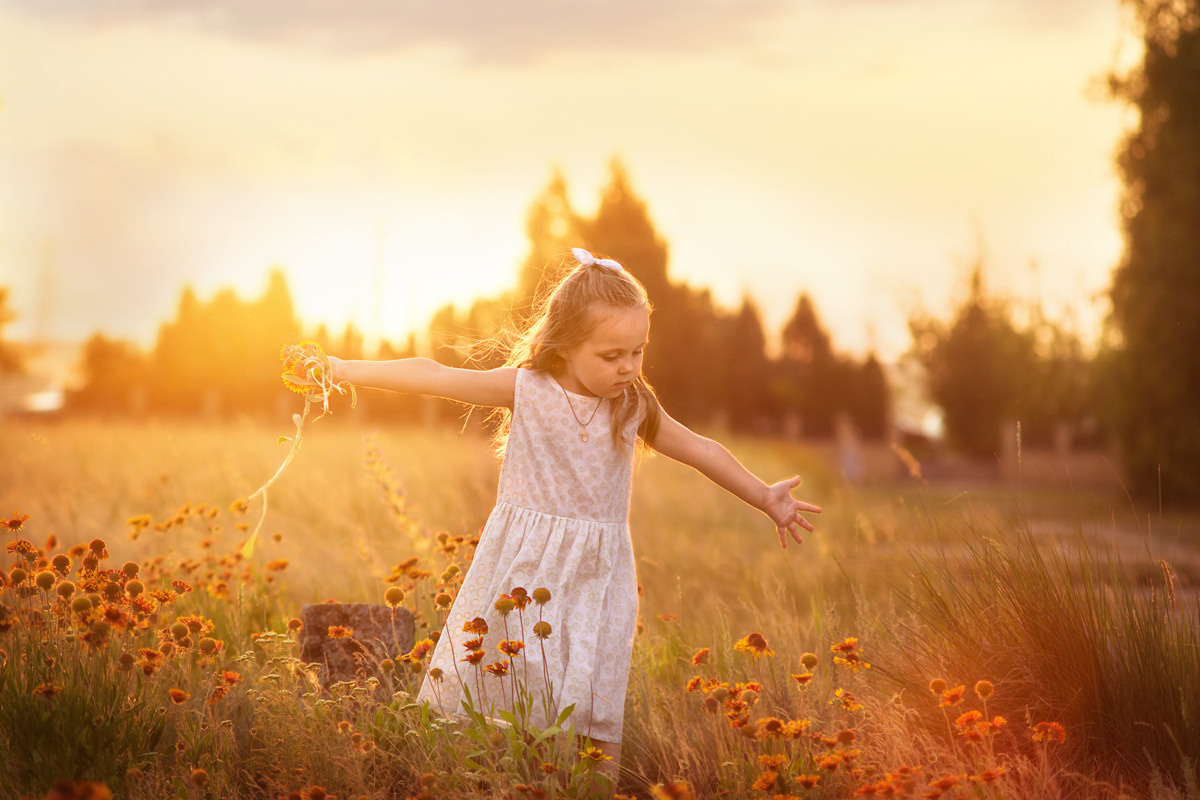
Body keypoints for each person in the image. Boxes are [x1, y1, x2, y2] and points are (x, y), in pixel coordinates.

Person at [328, 247, 820, 785]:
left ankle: (593, 790)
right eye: (612, 355)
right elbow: (437, 375)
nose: (628, 367)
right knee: (510, 684)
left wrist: (764, 496)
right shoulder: (527, 388)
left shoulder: (634, 405)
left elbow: (702, 449)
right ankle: (495, 783)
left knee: (595, 698)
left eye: (637, 351)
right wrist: (341, 368)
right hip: (523, 566)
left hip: (597, 576)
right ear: (564, 347)